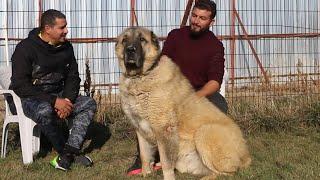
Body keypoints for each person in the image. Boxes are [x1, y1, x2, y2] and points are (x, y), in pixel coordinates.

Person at [126, 0, 228, 175]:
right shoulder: (176, 36)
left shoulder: (215, 46)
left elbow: (215, 82)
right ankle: (145, 159)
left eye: (202, 18)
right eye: (194, 16)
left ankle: (209, 154)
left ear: (212, 22)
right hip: (170, 89)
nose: (196, 21)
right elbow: (162, 64)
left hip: (198, 94)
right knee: (146, 109)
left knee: (219, 105)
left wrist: (195, 98)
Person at [10, 9, 97, 171]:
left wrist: (68, 101)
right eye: (62, 27)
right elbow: (20, 85)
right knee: (44, 111)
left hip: (61, 96)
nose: (66, 31)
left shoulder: (66, 48)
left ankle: (68, 153)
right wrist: (54, 102)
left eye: (66, 27)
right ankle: (67, 152)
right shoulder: (25, 48)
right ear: (48, 29)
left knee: (89, 103)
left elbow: (73, 78)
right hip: (32, 99)